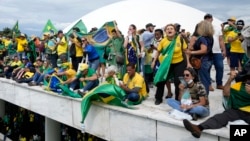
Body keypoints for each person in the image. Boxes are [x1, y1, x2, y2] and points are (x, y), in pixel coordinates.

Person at [183, 70, 250, 138]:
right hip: (237, 110)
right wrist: (230, 79)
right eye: (248, 79)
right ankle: (198, 128)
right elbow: (226, 93)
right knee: (221, 117)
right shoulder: (239, 86)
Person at [151, 24, 188, 105]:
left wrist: (188, 64)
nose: (169, 30)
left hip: (179, 63)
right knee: (161, 80)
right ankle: (158, 98)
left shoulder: (180, 39)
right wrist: (154, 62)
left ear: (175, 31)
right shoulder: (163, 41)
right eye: (167, 29)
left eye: (171, 28)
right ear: (165, 31)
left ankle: (178, 99)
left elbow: (186, 51)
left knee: (178, 81)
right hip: (167, 64)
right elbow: (158, 51)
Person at [185, 20, 214, 95]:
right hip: (209, 60)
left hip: (202, 61)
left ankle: (204, 98)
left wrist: (191, 52)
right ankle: (205, 97)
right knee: (206, 80)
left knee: (203, 81)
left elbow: (203, 50)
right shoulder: (210, 37)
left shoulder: (202, 38)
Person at [204, 14, 226, 90]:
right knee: (207, 68)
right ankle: (208, 84)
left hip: (217, 52)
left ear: (212, 19)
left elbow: (221, 40)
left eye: (209, 18)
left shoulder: (217, 28)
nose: (208, 19)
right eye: (206, 18)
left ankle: (219, 84)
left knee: (220, 67)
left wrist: (224, 50)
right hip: (207, 52)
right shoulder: (202, 29)